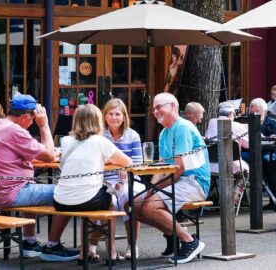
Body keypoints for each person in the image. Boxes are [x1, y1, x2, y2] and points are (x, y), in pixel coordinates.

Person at [0, 94, 80, 261]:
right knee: (68, 193)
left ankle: (29, 243)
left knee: (31, 184)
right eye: (33, 119)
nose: (33, 122)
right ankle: (52, 247)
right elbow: (48, 154)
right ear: (25, 116)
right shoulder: (15, 131)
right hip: (9, 193)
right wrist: (44, 125)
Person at [135, 93, 209, 264]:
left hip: (194, 182)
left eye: (159, 106)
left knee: (148, 207)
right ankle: (172, 235)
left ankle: (190, 242)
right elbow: (162, 170)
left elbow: (179, 169)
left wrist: (155, 191)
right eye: (153, 108)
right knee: (133, 205)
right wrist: (149, 190)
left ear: (174, 107)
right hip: (179, 181)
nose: (155, 111)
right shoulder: (163, 134)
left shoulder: (182, 127)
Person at [55, 104, 132, 263]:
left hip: (60, 201)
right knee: (109, 202)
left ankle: (84, 253)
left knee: (88, 203)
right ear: (97, 121)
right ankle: (111, 253)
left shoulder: (67, 140)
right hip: (87, 200)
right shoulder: (100, 141)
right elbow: (127, 161)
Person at [102, 99, 143, 261]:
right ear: (104, 116)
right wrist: (118, 161)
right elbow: (97, 161)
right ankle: (102, 247)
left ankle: (132, 245)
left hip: (129, 179)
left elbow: (138, 163)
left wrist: (125, 167)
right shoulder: (100, 135)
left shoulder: (132, 135)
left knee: (129, 197)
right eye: (110, 114)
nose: (114, 117)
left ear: (124, 116)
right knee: (108, 200)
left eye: (118, 114)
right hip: (104, 179)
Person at [204, 101, 250, 175]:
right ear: (231, 113)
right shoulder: (237, 125)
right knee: (248, 168)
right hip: (231, 166)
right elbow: (248, 145)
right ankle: (236, 186)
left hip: (211, 166)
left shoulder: (211, 122)